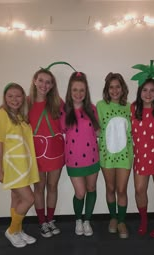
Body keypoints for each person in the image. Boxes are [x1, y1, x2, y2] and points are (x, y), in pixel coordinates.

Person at [0, 83, 39, 248]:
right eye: (10, 96)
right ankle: (12, 230)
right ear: (4, 97)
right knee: (29, 198)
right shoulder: (1, 115)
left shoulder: (20, 116)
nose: (14, 99)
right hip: (12, 167)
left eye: (18, 96)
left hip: (24, 166)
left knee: (17, 198)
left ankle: (17, 230)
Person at [60, 71, 100, 236]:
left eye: (82, 90)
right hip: (73, 159)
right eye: (75, 90)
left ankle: (87, 220)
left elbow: (98, 132)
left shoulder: (92, 109)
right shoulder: (63, 110)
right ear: (70, 91)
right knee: (80, 192)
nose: (78, 94)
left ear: (86, 91)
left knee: (91, 189)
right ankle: (78, 219)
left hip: (92, 158)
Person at [28, 68, 65, 238]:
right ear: (35, 81)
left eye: (48, 82)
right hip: (36, 151)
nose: (44, 84)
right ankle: (42, 221)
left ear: (52, 85)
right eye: (41, 80)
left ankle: (50, 219)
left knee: (52, 186)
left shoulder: (58, 102)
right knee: (39, 186)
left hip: (56, 151)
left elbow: (70, 120)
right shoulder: (26, 102)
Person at [131, 78, 154, 238]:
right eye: (144, 90)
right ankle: (144, 221)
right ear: (140, 92)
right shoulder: (132, 108)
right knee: (140, 190)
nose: (148, 93)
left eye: (152, 90)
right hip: (140, 157)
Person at [96, 72, 133, 239]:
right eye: (111, 87)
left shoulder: (130, 107)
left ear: (122, 88)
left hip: (125, 155)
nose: (114, 90)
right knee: (110, 188)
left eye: (117, 86)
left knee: (122, 189)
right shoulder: (100, 106)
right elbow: (91, 123)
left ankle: (122, 221)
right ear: (107, 89)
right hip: (106, 155)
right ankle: (113, 217)